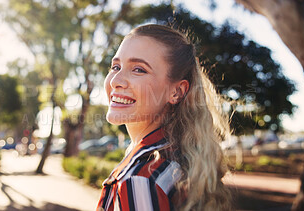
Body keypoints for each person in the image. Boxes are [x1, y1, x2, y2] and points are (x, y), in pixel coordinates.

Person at [97, 24, 232, 211]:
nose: (115, 81)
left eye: (139, 69)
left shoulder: (140, 180)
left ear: (176, 92)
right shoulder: (177, 160)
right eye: (116, 66)